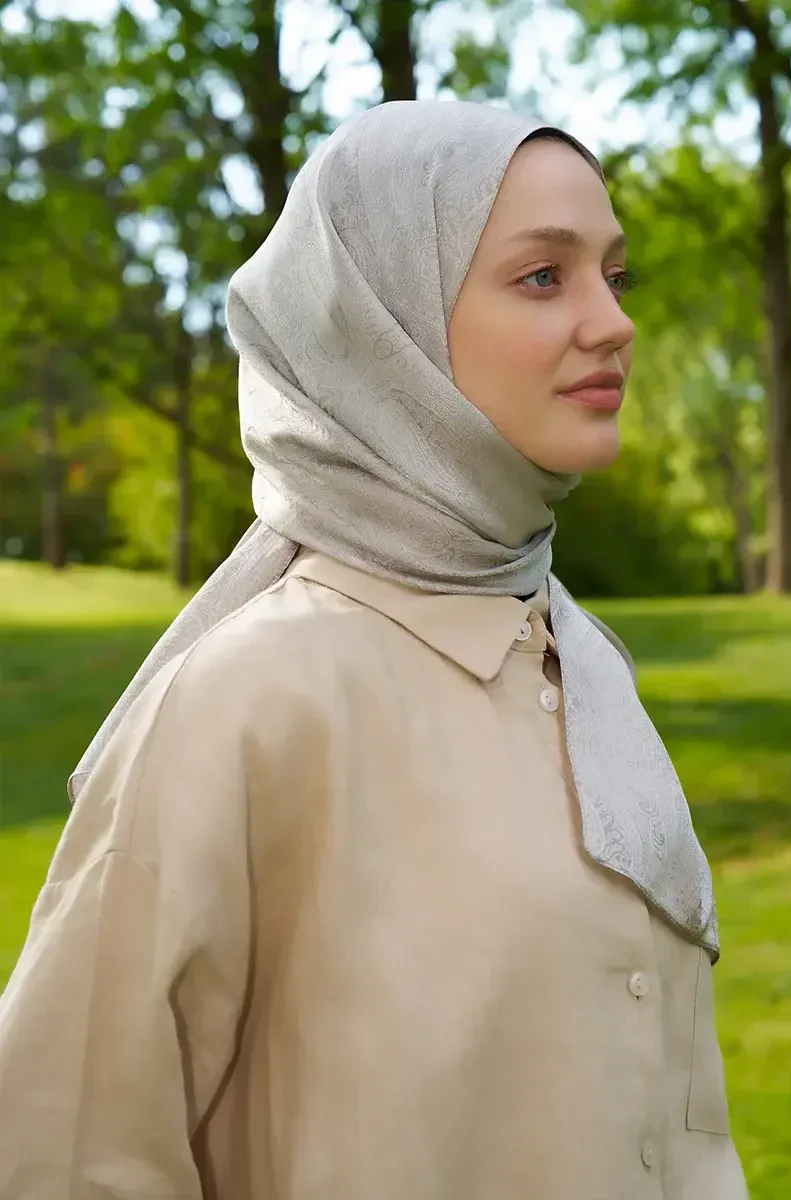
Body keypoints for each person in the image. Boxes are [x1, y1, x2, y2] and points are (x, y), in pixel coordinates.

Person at [0, 100, 747, 1200]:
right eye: (544, 276)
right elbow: (64, 1158)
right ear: (379, 325)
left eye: (614, 275)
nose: (612, 321)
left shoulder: (586, 668)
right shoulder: (250, 702)